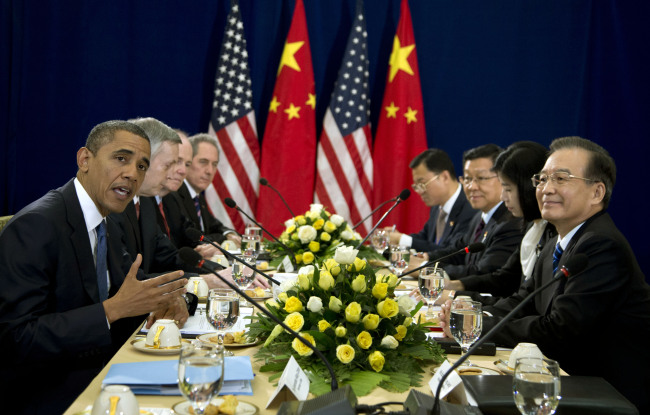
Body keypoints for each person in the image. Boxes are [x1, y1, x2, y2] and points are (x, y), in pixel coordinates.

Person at [440, 137, 650, 412]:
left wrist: (477, 327)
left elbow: (559, 331)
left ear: (597, 192)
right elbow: (522, 300)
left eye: (561, 179)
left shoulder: (602, 246)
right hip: (559, 381)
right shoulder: (555, 241)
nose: (546, 189)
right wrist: (470, 313)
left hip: (606, 392)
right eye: (542, 179)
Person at [0, 120, 189, 414]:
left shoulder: (107, 220)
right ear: (84, 159)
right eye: (121, 158)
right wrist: (111, 310)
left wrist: (165, 299)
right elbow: (16, 337)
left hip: (108, 374)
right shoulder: (37, 225)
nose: (132, 173)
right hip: (50, 392)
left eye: (141, 166)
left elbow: (132, 291)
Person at [447, 142, 556, 301]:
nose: (503, 197)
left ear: (529, 187)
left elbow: (524, 301)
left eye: (508, 189)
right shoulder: (532, 226)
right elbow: (505, 277)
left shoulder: (551, 233)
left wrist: (454, 295)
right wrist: (454, 286)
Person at [426, 144, 524, 279]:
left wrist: (430, 270)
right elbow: (456, 252)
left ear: (503, 178)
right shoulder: (478, 217)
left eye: (482, 178)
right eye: (467, 179)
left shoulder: (512, 222)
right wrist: (425, 259)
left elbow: (484, 272)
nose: (472, 186)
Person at [385, 149, 476, 253]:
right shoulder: (437, 206)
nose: (419, 191)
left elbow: (452, 252)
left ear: (444, 177)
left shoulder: (470, 206)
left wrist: (402, 239)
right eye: (416, 186)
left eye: (422, 184)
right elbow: (425, 238)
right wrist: (397, 238)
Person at [174, 133, 241, 256]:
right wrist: (224, 239)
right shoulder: (174, 194)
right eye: (203, 162)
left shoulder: (197, 196)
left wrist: (228, 234)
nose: (210, 171)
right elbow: (193, 239)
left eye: (214, 164)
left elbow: (216, 226)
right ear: (187, 161)